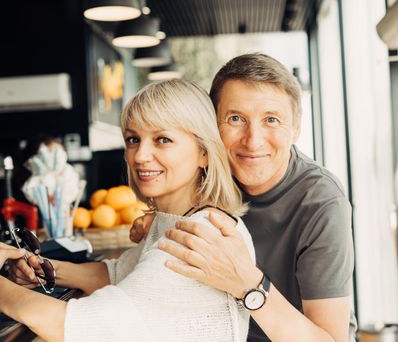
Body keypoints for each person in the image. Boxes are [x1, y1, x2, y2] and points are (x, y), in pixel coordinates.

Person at [2, 79, 255, 341]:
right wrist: (45, 269)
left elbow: (77, 325)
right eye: (133, 139)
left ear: (204, 152)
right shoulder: (182, 219)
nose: (140, 155)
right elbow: (119, 273)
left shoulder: (200, 235)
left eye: (162, 139)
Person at [131, 53, 357, 341]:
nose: (253, 140)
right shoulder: (210, 173)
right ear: (212, 126)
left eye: (271, 120)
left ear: (296, 128)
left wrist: (249, 284)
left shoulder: (322, 203)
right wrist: (161, 224)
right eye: (235, 118)